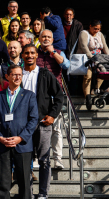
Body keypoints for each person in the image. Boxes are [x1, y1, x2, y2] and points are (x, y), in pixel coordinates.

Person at [0, 65, 38, 199]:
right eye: (14, 75)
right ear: (7, 76)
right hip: (4, 144)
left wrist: (20, 138)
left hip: (23, 144)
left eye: (20, 75)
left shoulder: (29, 96)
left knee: (25, 181)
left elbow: (34, 120)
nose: (18, 77)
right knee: (3, 180)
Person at [21, 44, 63, 199]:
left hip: (42, 123)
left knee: (45, 160)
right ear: (22, 55)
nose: (29, 55)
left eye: (32, 53)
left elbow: (59, 96)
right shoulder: (18, 74)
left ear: (36, 55)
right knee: (25, 161)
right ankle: (29, 196)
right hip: (23, 126)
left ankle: (43, 196)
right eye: (26, 53)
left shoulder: (45, 73)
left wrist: (53, 115)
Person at [37, 29, 70, 171]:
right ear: (38, 38)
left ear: (52, 39)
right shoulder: (34, 53)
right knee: (37, 129)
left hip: (55, 97)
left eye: (49, 37)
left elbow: (67, 66)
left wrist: (53, 52)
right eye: (43, 36)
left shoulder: (58, 52)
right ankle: (38, 158)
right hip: (38, 97)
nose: (46, 39)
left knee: (56, 130)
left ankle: (57, 160)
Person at [76, 20, 109, 110]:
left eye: (98, 29)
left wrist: (108, 57)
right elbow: (84, 46)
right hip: (87, 58)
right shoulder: (84, 33)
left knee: (103, 73)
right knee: (87, 76)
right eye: (95, 29)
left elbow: (105, 46)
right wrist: (92, 58)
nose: (97, 31)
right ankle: (88, 97)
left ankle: (95, 90)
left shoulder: (100, 34)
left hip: (99, 58)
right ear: (90, 26)